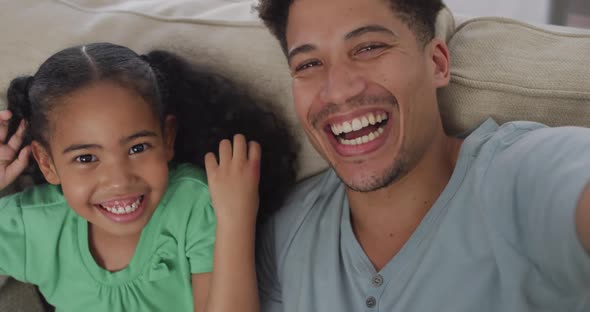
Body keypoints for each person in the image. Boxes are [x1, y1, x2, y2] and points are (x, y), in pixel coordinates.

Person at [255, 0, 590, 311]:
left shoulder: (524, 176)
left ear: (437, 64)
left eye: (369, 47)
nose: (338, 90)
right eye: (309, 63)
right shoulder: (285, 232)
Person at [0, 42, 297, 311]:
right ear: (46, 163)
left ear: (167, 138)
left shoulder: (195, 204)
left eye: (137, 148)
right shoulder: (33, 224)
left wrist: (236, 220)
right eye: (86, 158)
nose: (118, 180)